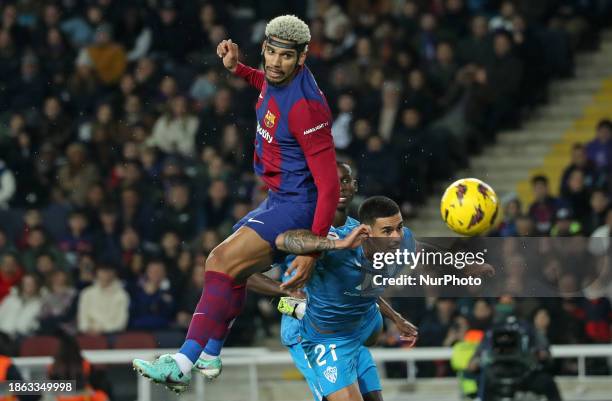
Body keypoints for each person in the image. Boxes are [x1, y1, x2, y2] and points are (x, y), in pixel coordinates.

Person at [133, 14, 339, 391]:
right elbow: (265, 83)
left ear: (303, 57)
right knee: (235, 268)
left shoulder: (306, 108)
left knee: (219, 261)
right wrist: (238, 69)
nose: (275, 63)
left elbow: (330, 187)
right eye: (271, 53)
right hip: (279, 197)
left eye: (286, 57)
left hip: (298, 204)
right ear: (264, 48)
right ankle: (211, 352)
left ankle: (183, 362)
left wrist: (315, 250)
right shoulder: (275, 78)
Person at [251, 163, 417, 401]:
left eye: (347, 180)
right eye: (333, 181)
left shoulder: (355, 232)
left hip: (348, 329)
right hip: (304, 328)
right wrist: (281, 292)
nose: (341, 187)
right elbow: (245, 274)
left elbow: (357, 288)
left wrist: (395, 317)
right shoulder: (300, 230)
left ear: (354, 186)